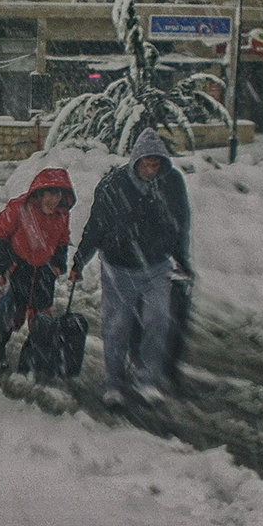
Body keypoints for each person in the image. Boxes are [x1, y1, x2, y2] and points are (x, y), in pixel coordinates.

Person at [69, 127, 193, 407]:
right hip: (119, 268)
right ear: (135, 161)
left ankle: (147, 380)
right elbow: (96, 226)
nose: (150, 170)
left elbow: (179, 224)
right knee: (117, 327)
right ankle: (114, 384)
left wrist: (182, 259)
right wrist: (79, 260)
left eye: (156, 164)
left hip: (156, 266)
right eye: (146, 164)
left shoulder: (170, 183)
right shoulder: (114, 185)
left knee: (158, 320)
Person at [0, 168, 76, 371]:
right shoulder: (18, 208)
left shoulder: (62, 215)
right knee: (10, 318)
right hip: (19, 271)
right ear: (39, 192)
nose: (53, 200)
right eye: (49, 193)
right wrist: (5, 266)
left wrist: (56, 266)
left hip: (44, 274)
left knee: (41, 323)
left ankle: (27, 362)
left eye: (58, 194)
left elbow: (63, 241)